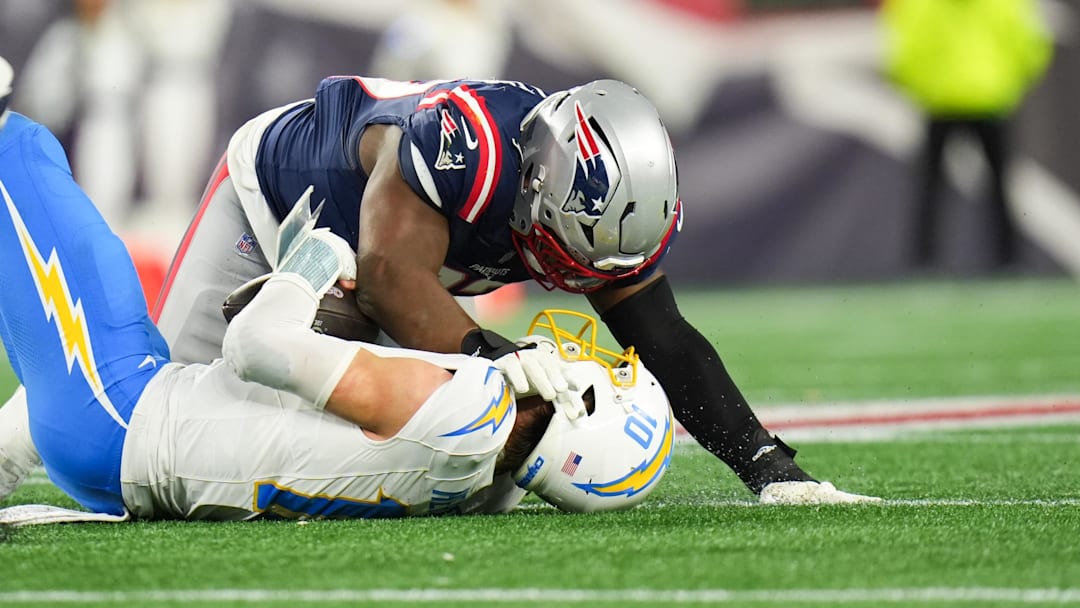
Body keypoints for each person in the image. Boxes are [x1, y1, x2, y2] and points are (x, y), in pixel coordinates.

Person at [142, 75, 877, 504]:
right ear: (533, 188)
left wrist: (768, 467)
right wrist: (506, 362)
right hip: (276, 206)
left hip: (385, 271)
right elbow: (390, 278)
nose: (579, 279)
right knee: (162, 410)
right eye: (567, 254)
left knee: (477, 471)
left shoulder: (585, 200)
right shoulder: (465, 147)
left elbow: (664, 339)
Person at [0, 80, 676, 520]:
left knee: (22, 149)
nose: (591, 358)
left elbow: (257, 345)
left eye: (609, 377)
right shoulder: (490, 492)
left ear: (582, 412)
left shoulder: (474, 404)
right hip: (132, 465)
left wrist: (316, 258)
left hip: (119, 414)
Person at [881, 0, 1053, 270]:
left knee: (933, 187)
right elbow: (1029, 46)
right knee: (993, 187)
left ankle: (925, 262)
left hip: (945, 101)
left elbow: (902, 52)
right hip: (986, 99)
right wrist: (1007, 84)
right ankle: (1006, 260)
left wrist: (923, 87)